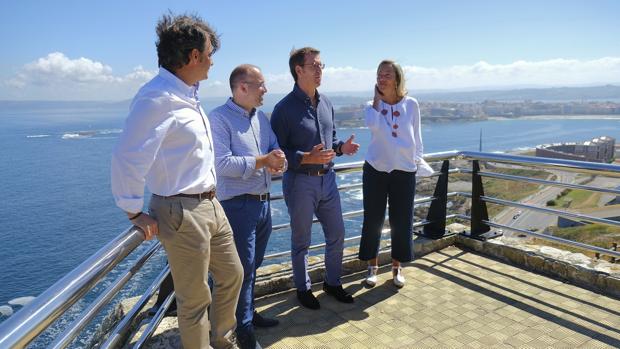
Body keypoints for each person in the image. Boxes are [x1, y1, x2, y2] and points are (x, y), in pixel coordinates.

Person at [111, 13, 243, 349]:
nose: (213, 62)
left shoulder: (186, 93)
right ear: (194, 56)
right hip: (180, 210)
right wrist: (132, 211)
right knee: (194, 299)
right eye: (210, 54)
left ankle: (223, 342)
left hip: (209, 203)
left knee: (232, 275)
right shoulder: (157, 98)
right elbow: (128, 156)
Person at [270, 47, 360, 310]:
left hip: (328, 180)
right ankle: (303, 289)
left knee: (338, 233)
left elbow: (330, 142)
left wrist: (342, 148)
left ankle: (332, 283)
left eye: (322, 66)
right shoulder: (283, 109)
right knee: (302, 241)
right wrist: (305, 157)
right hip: (300, 182)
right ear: (299, 70)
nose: (320, 71)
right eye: (315, 66)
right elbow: (275, 152)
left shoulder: (327, 103)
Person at [209, 64, 285, 349]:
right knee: (243, 269)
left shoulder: (261, 118)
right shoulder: (219, 119)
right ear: (242, 87)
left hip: (263, 205)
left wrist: (280, 160)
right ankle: (242, 328)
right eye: (261, 84)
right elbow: (221, 164)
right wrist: (264, 161)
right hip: (237, 207)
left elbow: (275, 150)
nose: (265, 89)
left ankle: (248, 315)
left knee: (254, 265)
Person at [358, 60, 423, 288]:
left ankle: (397, 268)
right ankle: (372, 267)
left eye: (387, 74)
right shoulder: (371, 106)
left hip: (404, 171)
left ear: (397, 78)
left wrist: (414, 162)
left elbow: (417, 137)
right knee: (373, 220)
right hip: (376, 169)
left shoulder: (411, 104)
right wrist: (377, 99)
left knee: (401, 221)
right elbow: (373, 125)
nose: (382, 78)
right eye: (379, 74)